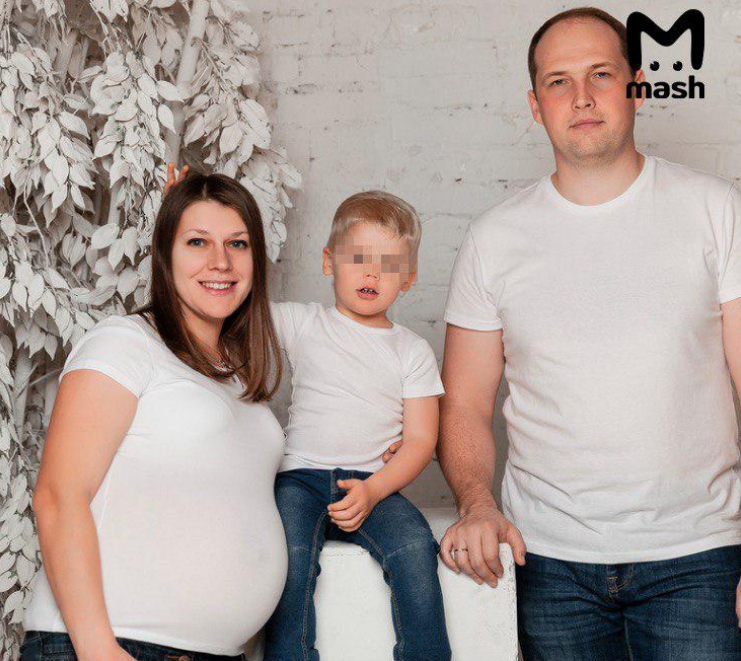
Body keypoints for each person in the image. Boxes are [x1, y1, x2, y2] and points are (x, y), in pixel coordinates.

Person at [437, 7, 741, 660]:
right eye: (558, 81)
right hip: (548, 563)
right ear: (535, 104)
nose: (580, 96)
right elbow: (463, 404)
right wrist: (476, 502)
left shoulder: (715, 210)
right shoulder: (493, 239)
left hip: (699, 556)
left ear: (636, 86)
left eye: (600, 74)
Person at [20, 173, 289, 661]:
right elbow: (57, 497)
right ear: (165, 254)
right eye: (197, 242)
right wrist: (98, 649)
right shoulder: (125, 343)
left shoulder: (236, 377)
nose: (221, 262)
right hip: (116, 646)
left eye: (238, 243)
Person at [263, 191, 451, 661]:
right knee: (288, 562)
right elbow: (231, 309)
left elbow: (421, 440)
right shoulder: (302, 323)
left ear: (408, 279)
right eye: (359, 259)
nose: (372, 274)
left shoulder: (411, 351)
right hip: (299, 480)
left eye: (388, 265)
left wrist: (374, 490)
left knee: (415, 548)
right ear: (330, 262)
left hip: (373, 483)